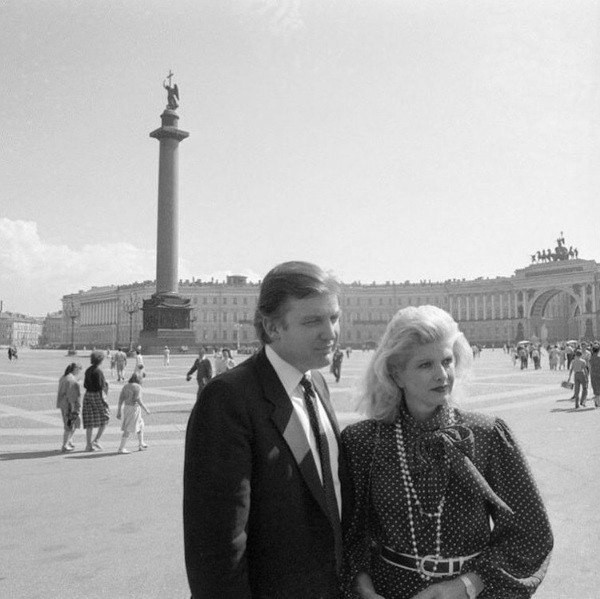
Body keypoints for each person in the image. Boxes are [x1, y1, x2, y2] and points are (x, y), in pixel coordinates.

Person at [342, 305, 553, 599]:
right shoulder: (362, 441)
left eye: (447, 360)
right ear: (396, 373)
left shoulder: (487, 434)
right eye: (425, 365)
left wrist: (466, 586)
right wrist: (364, 590)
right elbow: (351, 535)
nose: (442, 375)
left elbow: (529, 532)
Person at [184, 261, 348, 598]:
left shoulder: (316, 381)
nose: (331, 332)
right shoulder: (229, 398)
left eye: (333, 317)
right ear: (272, 328)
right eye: (312, 321)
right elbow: (218, 544)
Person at [82, 350, 110, 452]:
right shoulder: (98, 371)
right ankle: (96, 440)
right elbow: (100, 386)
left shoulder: (88, 370)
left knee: (89, 421)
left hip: (88, 395)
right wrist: (106, 387)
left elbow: (85, 385)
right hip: (97, 395)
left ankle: (88, 444)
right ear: (100, 359)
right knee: (105, 417)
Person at [116, 372, 151, 453]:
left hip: (127, 407)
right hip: (134, 409)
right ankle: (121, 448)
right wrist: (146, 409)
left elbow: (121, 399)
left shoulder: (125, 386)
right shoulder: (138, 387)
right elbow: (138, 399)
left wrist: (118, 411)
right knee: (128, 428)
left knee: (141, 424)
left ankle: (141, 444)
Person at [56, 362, 82, 452]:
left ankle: (69, 441)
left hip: (63, 404)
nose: (80, 372)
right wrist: (74, 409)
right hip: (70, 406)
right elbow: (71, 396)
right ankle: (64, 445)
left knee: (71, 424)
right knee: (69, 425)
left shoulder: (64, 377)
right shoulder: (71, 380)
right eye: (79, 369)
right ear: (76, 369)